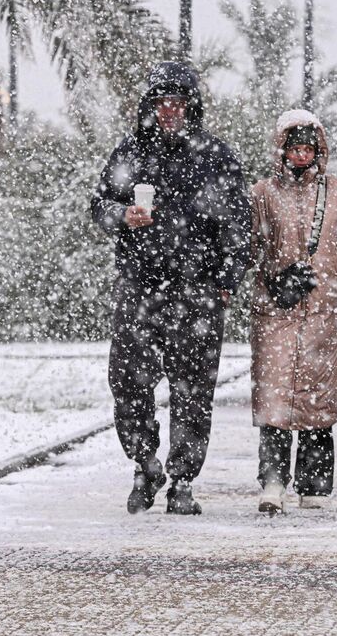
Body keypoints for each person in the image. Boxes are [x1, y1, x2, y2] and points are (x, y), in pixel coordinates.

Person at [90, 61, 251, 516]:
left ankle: (183, 479)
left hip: (198, 290)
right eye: (163, 102)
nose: (171, 111)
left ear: (191, 106)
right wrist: (123, 216)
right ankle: (144, 463)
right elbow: (100, 205)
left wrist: (226, 281)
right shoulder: (130, 153)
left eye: (179, 102)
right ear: (151, 105)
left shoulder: (216, 157)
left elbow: (239, 225)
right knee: (127, 380)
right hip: (140, 287)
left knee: (193, 388)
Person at [249, 110, 337, 514]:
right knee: (274, 399)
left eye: (308, 148)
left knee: (318, 399)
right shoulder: (262, 194)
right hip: (276, 310)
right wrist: (272, 276)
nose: (301, 155)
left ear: (318, 150)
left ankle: (314, 484)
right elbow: (247, 247)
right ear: (282, 150)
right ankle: (273, 482)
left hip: (324, 311)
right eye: (294, 148)